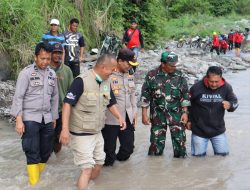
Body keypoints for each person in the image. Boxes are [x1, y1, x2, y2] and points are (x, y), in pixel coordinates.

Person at [59, 54, 126, 190]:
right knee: (87, 168)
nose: (114, 72)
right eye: (112, 69)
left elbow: (110, 103)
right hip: (81, 133)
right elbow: (67, 104)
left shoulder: (106, 82)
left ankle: (82, 185)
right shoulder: (81, 81)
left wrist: (120, 117)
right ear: (102, 67)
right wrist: (64, 129)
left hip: (97, 132)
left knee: (99, 164)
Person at [10, 42, 58, 185]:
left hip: (47, 118)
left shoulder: (52, 74)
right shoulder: (26, 73)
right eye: (42, 58)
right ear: (35, 57)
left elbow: (55, 97)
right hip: (30, 117)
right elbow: (18, 97)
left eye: (48, 59)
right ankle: (34, 184)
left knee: (46, 150)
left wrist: (54, 117)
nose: (45, 62)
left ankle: (39, 181)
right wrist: (19, 119)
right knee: (32, 150)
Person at [140, 51, 190, 157]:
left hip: (176, 114)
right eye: (171, 65)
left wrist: (185, 113)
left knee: (180, 146)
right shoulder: (151, 75)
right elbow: (145, 95)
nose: (174, 67)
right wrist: (144, 114)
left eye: (175, 64)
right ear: (163, 64)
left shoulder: (180, 75)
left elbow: (185, 95)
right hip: (158, 115)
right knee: (155, 146)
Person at [187, 66, 238, 156]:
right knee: (197, 161)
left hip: (218, 131)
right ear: (207, 78)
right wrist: (188, 120)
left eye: (216, 82)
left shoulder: (227, 87)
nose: (214, 84)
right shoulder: (196, 87)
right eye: (211, 81)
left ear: (221, 78)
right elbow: (187, 104)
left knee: (223, 158)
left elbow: (235, 102)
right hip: (199, 131)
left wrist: (230, 105)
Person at [102, 48, 139, 166]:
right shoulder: (108, 75)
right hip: (110, 120)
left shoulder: (130, 75)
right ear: (119, 61)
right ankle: (108, 172)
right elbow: (104, 98)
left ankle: (119, 167)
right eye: (128, 63)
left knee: (128, 148)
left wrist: (134, 113)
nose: (130, 66)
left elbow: (133, 95)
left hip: (127, 117)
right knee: (108, 153)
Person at [49, 43, 73, 153]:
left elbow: (71, 92)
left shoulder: (67, 70)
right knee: (46, 139)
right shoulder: (45, 68)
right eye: (55, 53)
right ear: (50, 54)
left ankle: (56, 163)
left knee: (58, 140)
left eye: (60, 53)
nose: (57, 55)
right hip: (46, 111)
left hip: (61, 111)